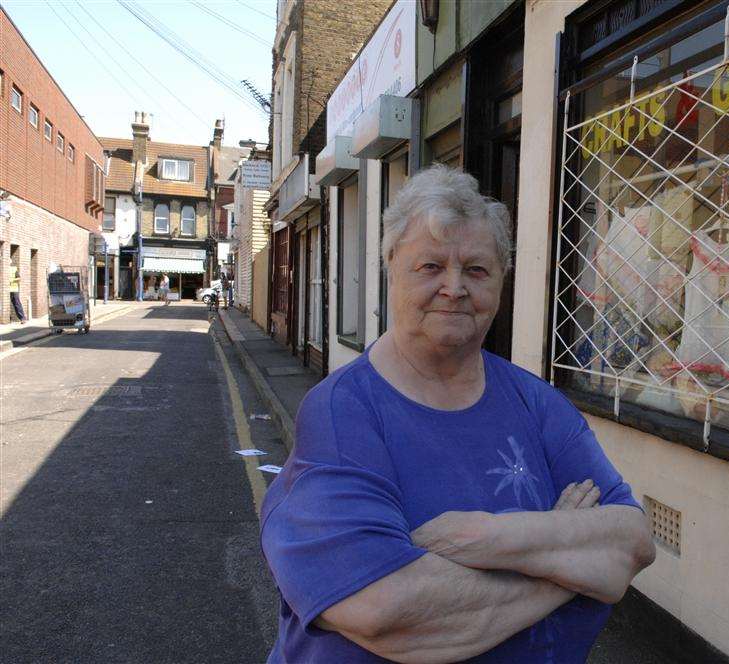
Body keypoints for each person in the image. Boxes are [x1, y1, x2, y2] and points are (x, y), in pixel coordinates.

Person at [260, 165, 656, 663]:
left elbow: (632, 542)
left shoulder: (538, 404)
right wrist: (569, 569)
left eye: (476, 269)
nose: (455, 287)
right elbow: (385, 611)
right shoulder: (344, 413)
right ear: (390, 269)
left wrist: (486, 537)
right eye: (430, 267)